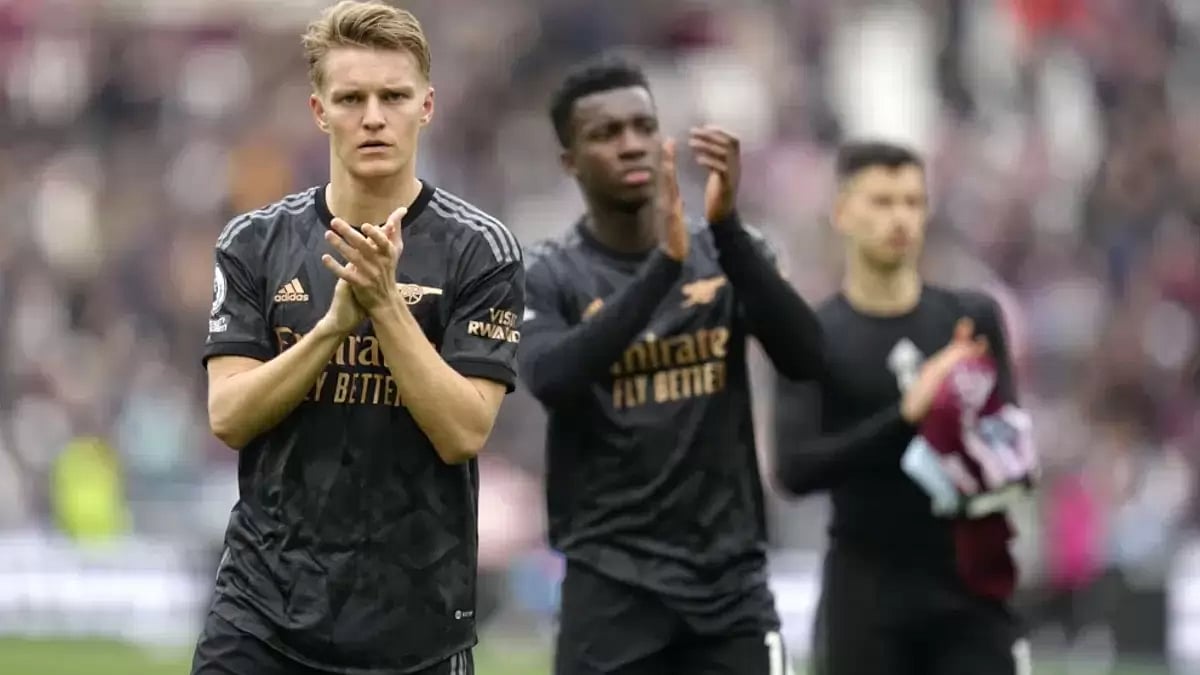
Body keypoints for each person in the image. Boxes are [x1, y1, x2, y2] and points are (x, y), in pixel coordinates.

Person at [193, 2, 523, 674]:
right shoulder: (255, 243)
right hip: (262, 614)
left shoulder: (480, 251)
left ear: (426, 106)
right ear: (320, 111)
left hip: (415, 623)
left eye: (393, 96)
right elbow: (227, 414)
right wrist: (333, 328)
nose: (373, 115)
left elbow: (464, 431)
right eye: (351, 97)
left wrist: (385, 309)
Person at [519, 56, 824, 675]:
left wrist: (730, 229)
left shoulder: (727, 250)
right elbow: (550, 377)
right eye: (606, 134)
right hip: (611, 586)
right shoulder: (549, 274)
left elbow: (806, 356)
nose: (630, 144)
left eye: (642, 126)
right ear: (570, 162)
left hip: (729, 586)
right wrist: (662, 267)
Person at [773, 141, 1036, 675]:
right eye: (883, 202)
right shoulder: (812, 335)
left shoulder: (969, 320)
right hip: (866, 592)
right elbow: (796, 470)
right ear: (842, 213)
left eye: (913, 202)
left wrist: (971, 436)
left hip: (969, 589)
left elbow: (1012, 455)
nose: (901, 218)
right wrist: (908, 415)